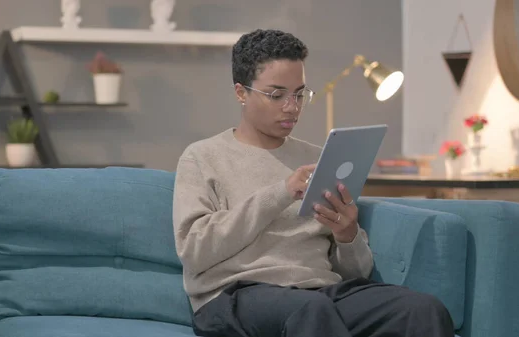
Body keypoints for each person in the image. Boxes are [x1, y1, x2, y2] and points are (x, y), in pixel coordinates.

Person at [172, 29, 454, 337]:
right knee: (310, 310)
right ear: (241, 92)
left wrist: (347, 236)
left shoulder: (320, 158)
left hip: (317, 293)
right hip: (234, 297)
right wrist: (280, 193)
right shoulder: (202, 157)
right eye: (276, 95)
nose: (292, 107)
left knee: (422, 309)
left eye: (299, 94)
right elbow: (194, 250)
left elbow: (355, 273)